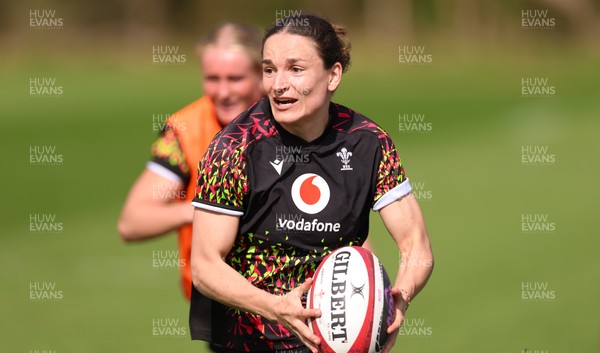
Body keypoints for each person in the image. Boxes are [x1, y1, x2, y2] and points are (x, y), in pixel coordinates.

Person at [189, 14, 434, 353]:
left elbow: (416, 244)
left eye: (295, 69)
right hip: (249, 342)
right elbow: (204, 266)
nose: (278, 85)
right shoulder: (233, 148)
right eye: (269, 69)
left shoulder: (368, 143)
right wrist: (275, 307)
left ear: (333, 75)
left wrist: (397, 299)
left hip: (335, 342)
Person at [117, 22, 264, 301]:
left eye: (235, 78)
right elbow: (132, 222)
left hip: (294, 291)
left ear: (262, 75)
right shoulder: (187, 129)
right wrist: (207, 210)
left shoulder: (292, 119)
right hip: (221, 304)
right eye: (212, 78)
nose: (222, 92)